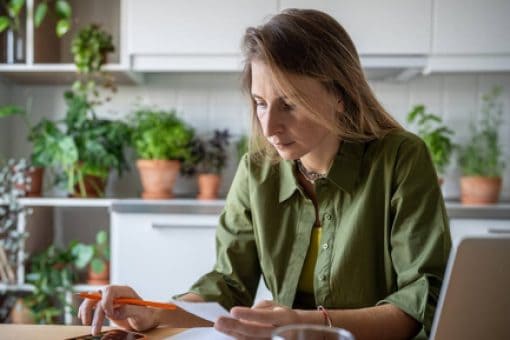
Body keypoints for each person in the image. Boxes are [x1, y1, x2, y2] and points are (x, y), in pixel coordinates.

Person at [78, 8, 451, 340]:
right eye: (260, 103)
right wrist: (152, 311)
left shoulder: (401, 158)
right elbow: (227, 285)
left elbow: (418, 305)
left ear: (340, 94)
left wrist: (305, 324)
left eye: (289, 104)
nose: (269, 126)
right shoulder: (256, 171)